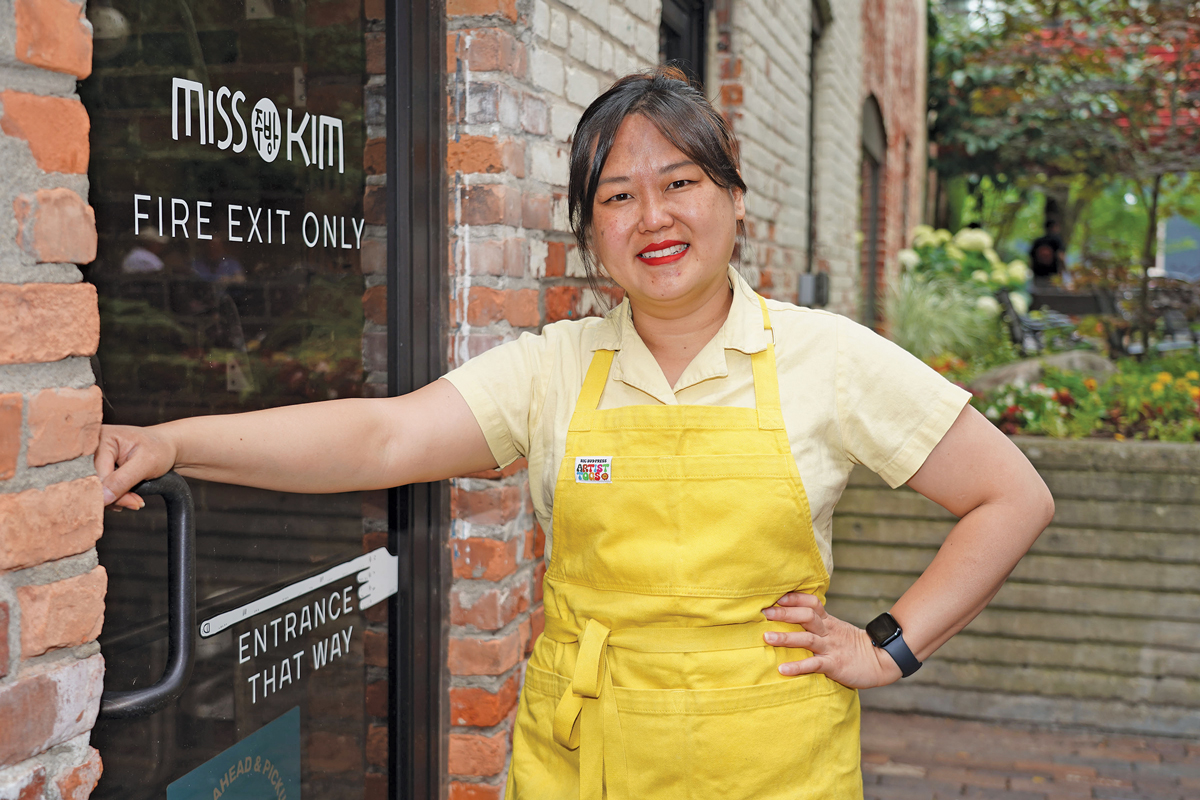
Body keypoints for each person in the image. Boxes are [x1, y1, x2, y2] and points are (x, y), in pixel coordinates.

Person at [97, 67, 1054, 799]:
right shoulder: (554, 368)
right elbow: (382, 439)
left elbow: (1010, 496)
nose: (655, 217)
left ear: (733, 201)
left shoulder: (827, 357)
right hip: (581, 747)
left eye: (680, 182)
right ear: (590, 233)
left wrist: (888, 646)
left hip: (772, 754)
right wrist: (176, 442)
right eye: (618, 197)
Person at [1030, 220, 1066, 286]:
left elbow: (1031, 257)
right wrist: (1064, 271)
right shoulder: (1057, 240)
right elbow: (1061, 256)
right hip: (1053, 275)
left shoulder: (1037, 241)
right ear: (1054, 227)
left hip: (1038, 274)